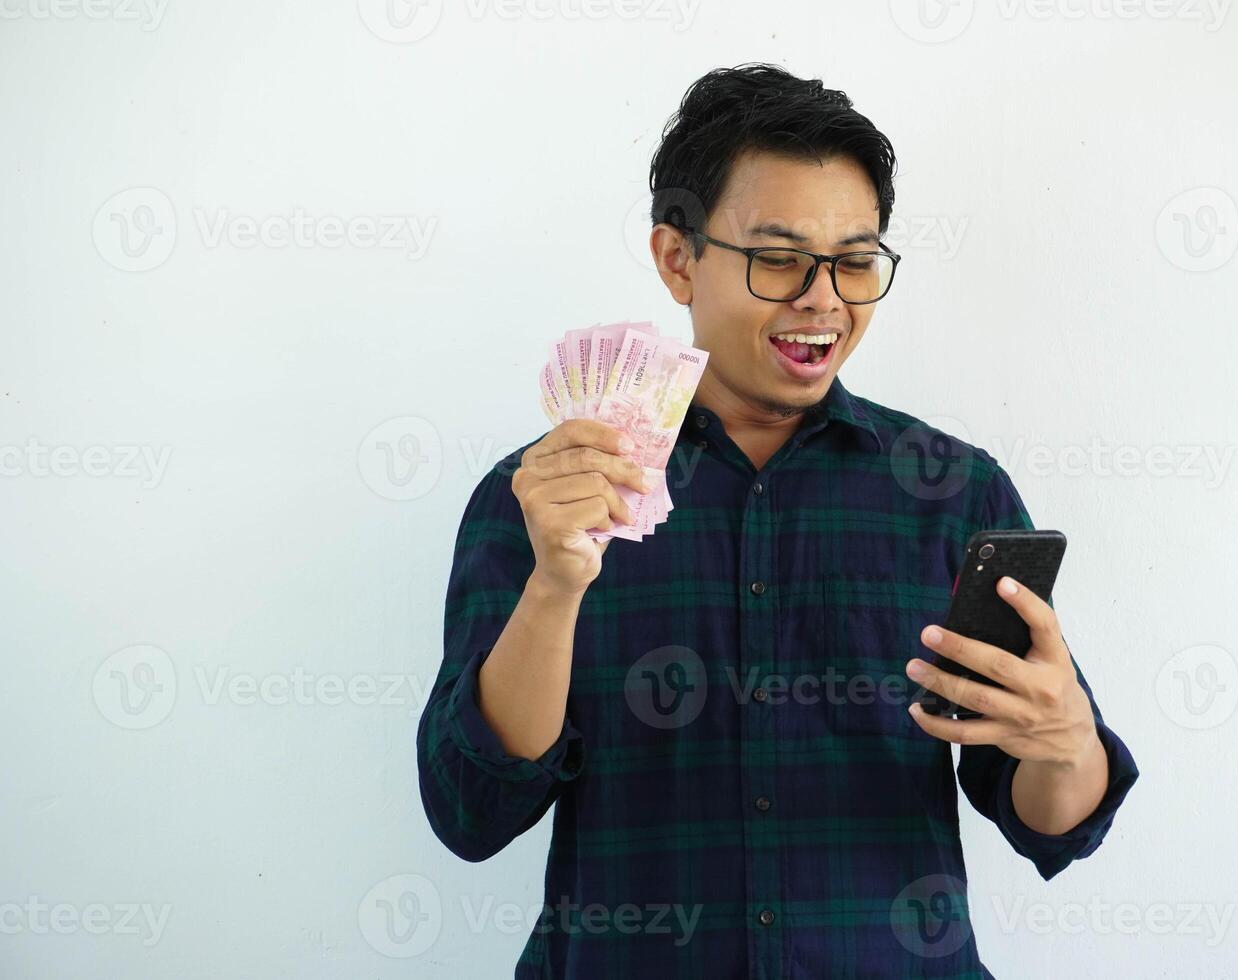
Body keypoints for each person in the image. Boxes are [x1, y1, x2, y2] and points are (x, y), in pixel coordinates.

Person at [417, 62, 1139, 978]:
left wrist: (1067, 739)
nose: (823, 299)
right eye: (779, 257)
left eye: (854, 260)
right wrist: (557, 586)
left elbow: (1051, 822)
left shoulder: (954, 494)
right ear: (679, 259)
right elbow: (470, 813)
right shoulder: (541, 496)